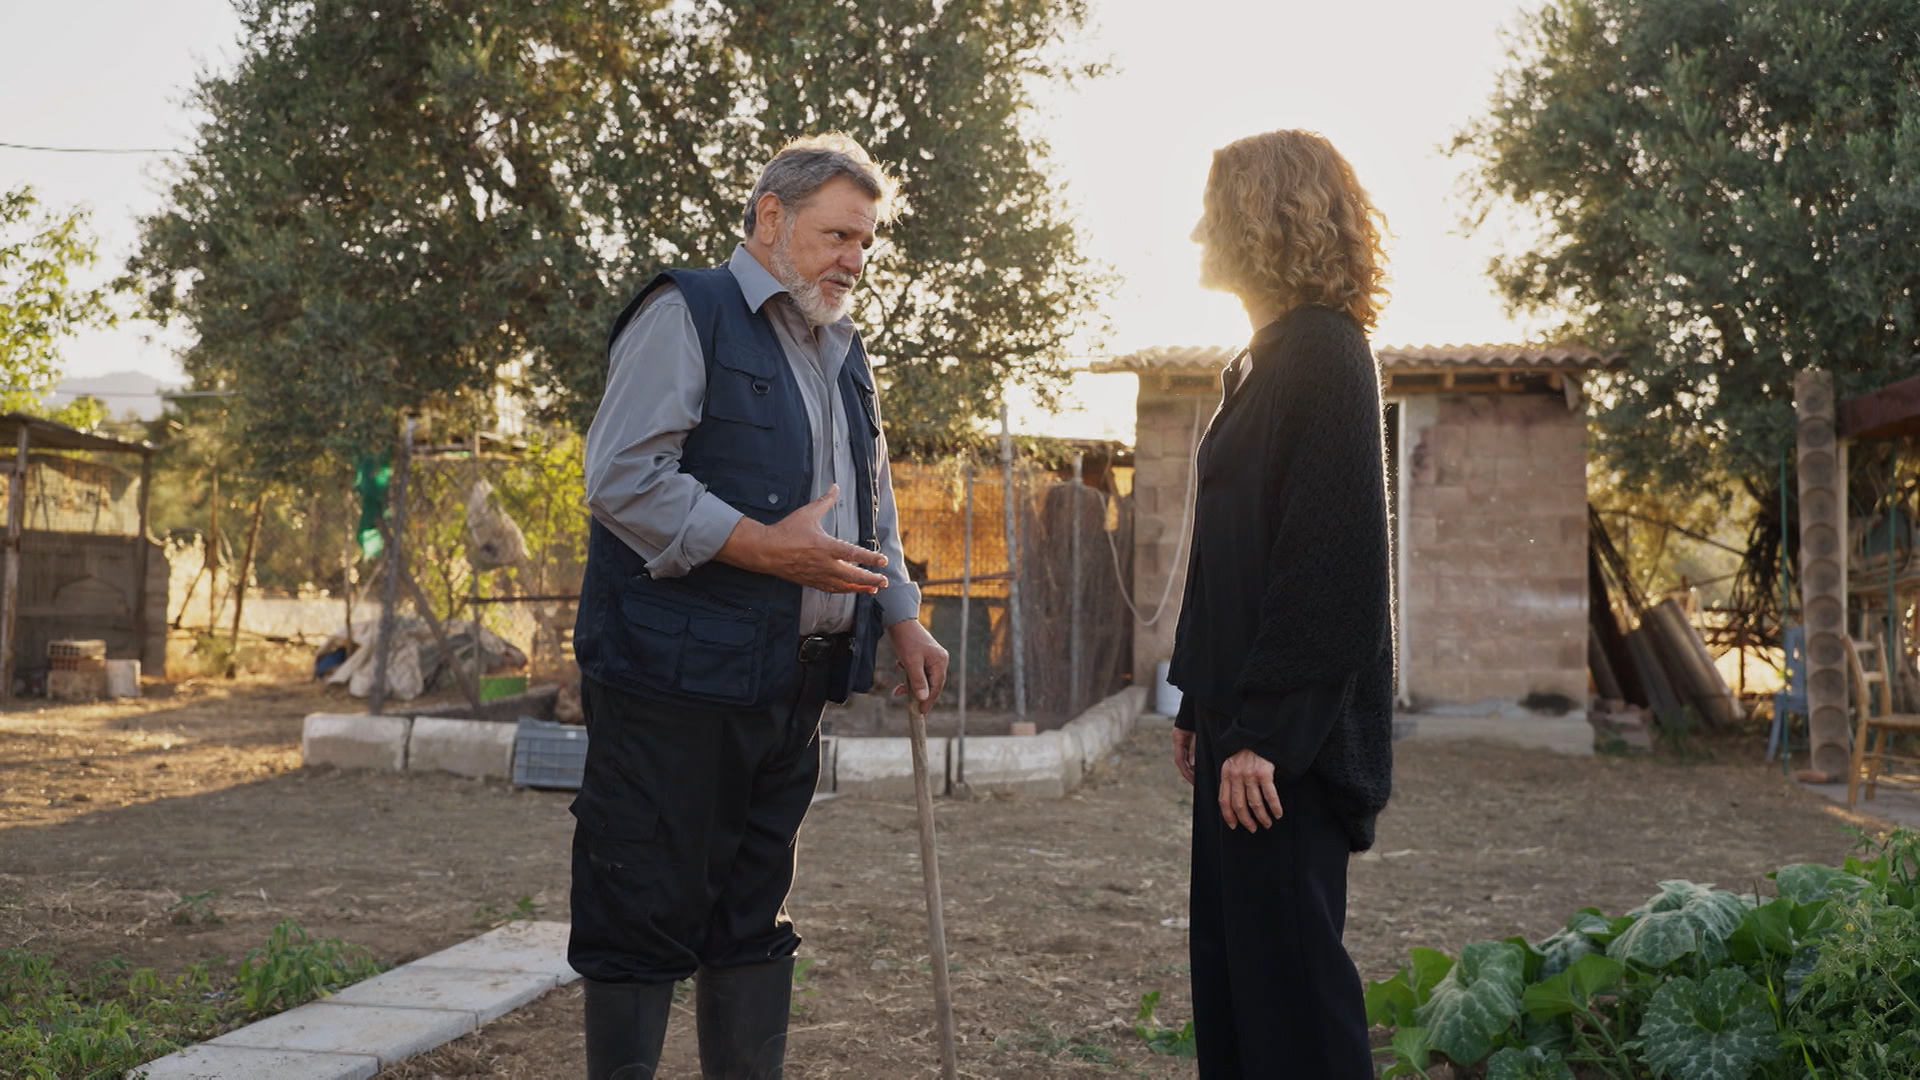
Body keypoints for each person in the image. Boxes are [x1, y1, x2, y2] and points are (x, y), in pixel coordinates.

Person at [570, 133, 949, 1080]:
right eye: (838, 236)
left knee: (751, 912)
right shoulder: (686, 311)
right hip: (673, 680)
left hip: (789, 684)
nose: (855, 261)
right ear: (771, 218)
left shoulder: (842, 349)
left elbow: (873, 497)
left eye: (866, 242)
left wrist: (899, 610)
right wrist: (758, 545)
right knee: (643, 908)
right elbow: (620, 477)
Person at [1166, 129, 1396, 1078]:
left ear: (1263, 218)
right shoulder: (1259, 363)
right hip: (1239, 731)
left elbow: (1331, 571)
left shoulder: (1327, 358)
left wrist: (1262, 731)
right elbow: (1228, 556)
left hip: (1284, 755)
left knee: (1296, 1004)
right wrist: (1198, 699)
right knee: (1233, 984)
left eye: (1213, 212)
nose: (1195, 234)